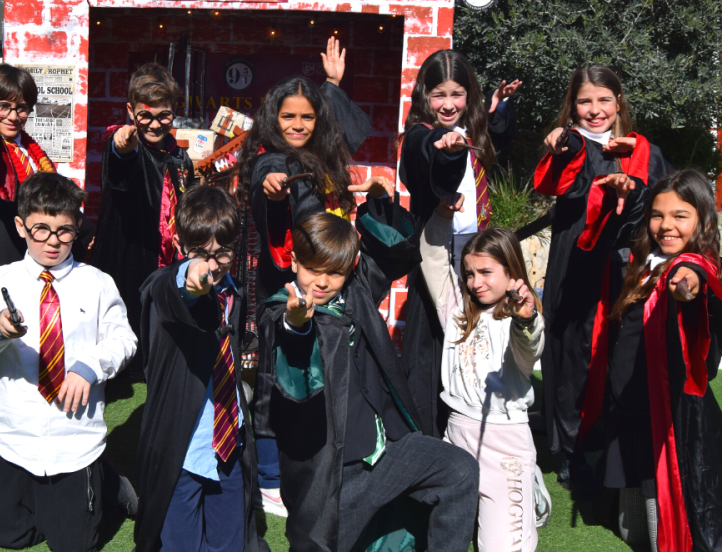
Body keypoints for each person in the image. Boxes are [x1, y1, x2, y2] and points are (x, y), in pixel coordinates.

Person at [259, 193, 480, 552]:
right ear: (295, 261)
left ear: (351, 267)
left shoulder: (356, 290)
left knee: (458, 469)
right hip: (332, 473)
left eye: (334, 272)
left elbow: (391, 247)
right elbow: (294, 374)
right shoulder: (279, 313)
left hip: (386, 450)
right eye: (313, 269)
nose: (322, 281)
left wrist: (381, 201)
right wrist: (297, 326)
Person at [234, 38, 375, 516]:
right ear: (272, 120)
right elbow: (268, 190)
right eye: (288, 116)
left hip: (326, 283)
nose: (297, 125)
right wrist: (273, 194)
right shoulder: (271, 161)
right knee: (276, 381)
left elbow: (343, 132)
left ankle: (316, 458)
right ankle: (270, 479)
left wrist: (331, 85)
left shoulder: (320, 156)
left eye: (307, 117)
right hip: (286, 288)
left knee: (316, 377)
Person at [0, 172, 137, 551]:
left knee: (73, 545)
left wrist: (89, 367)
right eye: (41, 230)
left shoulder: (97, 283)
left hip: (72, 440)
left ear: (77, 227)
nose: (52, 241)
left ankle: (105, 484)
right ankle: (60, 497)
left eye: (64, 231)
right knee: (2, 535)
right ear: (21, 226)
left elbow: (124, 340)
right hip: (13, 438)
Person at [533, 65, 670, 488]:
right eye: (584, 101)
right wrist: (562, 142)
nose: (595, 110)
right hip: (577, 265)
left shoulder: (635, 149)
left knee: (620, 353)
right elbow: (562, 180)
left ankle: (615, 442)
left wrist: (638, 157)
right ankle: (572, 450)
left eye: (604, 100)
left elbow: (664, 192)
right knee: (575, 353)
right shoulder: (571, 143)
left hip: (625, 267)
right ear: (571, 106)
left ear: (619, 102)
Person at [396, 49, 520, 438]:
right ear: (425, 95)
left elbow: (498, 133)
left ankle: (472, 422)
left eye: (457, 94)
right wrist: (445, 146)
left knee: (473, 341)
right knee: (431, 347)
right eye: (439, 95)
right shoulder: (420, 134)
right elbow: (426, 148)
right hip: (435, 254)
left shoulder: (474, 129)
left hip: (472, 254)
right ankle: (426, 435)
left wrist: (501, 106)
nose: (448, 105)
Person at [135, 185, 265, 551]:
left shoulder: (234, 293)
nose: (212, 264)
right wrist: (190, 278)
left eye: (223, 252)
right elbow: (172, 292)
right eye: (199, 253)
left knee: (230, 543)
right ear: (178, 243)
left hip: (228, 445)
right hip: (183, 451)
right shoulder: (166, 286)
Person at [599, 169, 722, 552]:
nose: (666, 225)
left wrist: (686, 286)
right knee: (630, 529)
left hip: (665, 423)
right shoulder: (646, 262)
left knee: (663, 536)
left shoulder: (695, 265)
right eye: (658, 215)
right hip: (629, 415)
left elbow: (693, 278)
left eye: (680, 216)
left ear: (704, 220)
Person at [420, 194, 546, 552]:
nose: (476, 282)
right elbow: (432, 258)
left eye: (486, 272)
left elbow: (530, 347)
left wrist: (526, 319)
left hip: (505, 445)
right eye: (470, 273)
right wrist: (441, 215)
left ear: (511, 272)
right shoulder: (457, 309)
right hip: (456, 434)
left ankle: (526, 484)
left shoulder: (521, 318)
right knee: (440, 538)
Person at [0, 63, 59, 407]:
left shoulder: (28, 147)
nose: (13, 116)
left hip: (30, 253)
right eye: (3, 106)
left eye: (21, 107)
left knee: (27, 325)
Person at [89, 62, 193, 379]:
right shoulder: (123, 142)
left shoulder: (178, 154)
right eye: (145, 115)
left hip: (166, 255)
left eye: (164, 115)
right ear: (130, 111)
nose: (155, 124)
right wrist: (123, 147)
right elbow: (121, 158)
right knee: (124, 314)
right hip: (129, 249)